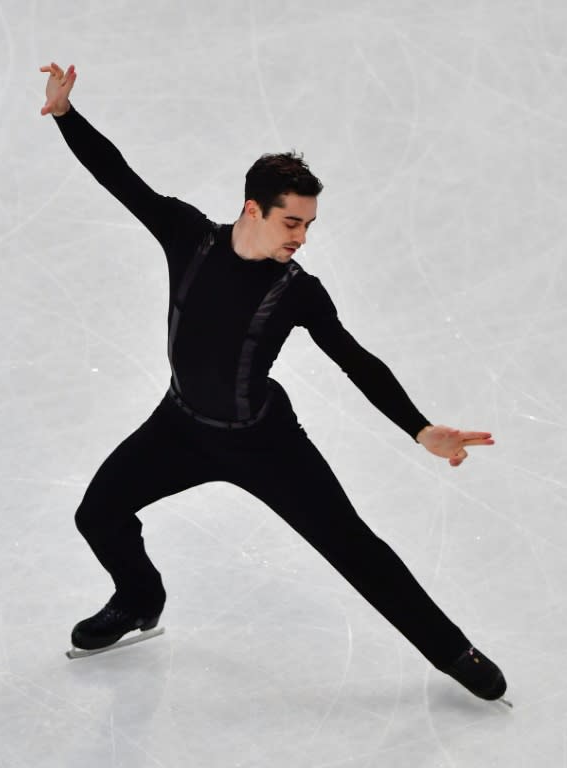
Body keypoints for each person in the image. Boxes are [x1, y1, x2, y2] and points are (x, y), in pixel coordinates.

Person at [40, 62, 506, 701]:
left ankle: (455, 651)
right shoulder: (188, 236)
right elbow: (119, 177)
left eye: (310, 225)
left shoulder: (298, 293)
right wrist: (66, 115)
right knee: (97, 513)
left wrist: (420, 427)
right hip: (179, 426)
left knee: (354, 547)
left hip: (265, 442)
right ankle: (140, 598)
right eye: (293, 223)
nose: (303, 237)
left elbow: (356, 358)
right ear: (253, 209)